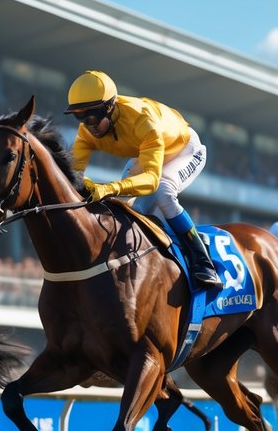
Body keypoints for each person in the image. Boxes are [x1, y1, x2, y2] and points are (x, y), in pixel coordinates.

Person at [65, 70, 221, 288]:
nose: (86, 124)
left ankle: (203, 260)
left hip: (185, 149)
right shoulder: (86, 132)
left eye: (90, 116)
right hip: (148, 153)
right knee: (122, 210)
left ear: (108, 108)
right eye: (78, 116)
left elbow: (151, 181)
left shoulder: (142, 120)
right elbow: (72, 177)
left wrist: (109, 188)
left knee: (163, 192)